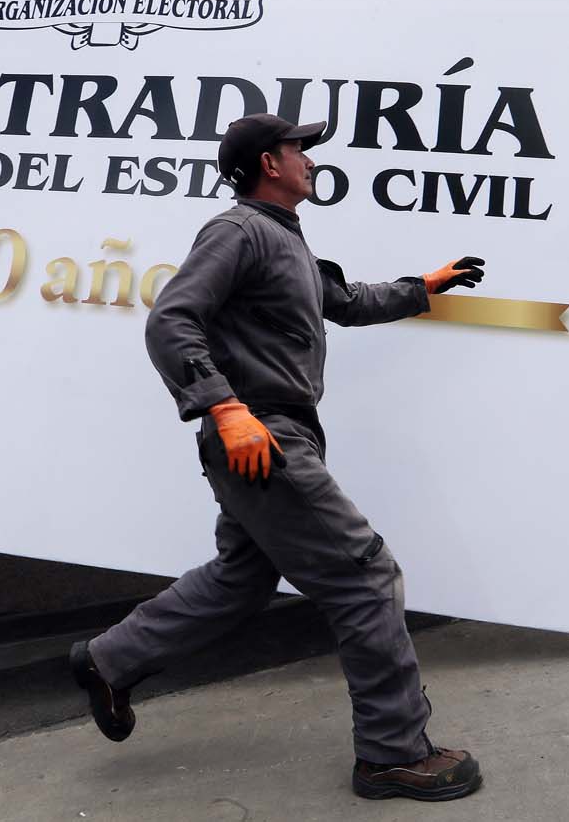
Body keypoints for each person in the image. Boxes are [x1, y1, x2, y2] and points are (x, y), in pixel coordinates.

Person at [70, 113, 486, 802]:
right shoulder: (238, 231)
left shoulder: (286, 241)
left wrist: (426, 283)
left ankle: (109, 660)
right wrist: (226, 408)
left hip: (272, 436)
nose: (311, 160)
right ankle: (391, 751)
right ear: (270, 162)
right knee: (366, 574)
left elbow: (346, 301)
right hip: (257, 433)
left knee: (243, 577)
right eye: (302, 149)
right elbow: (170, 319)